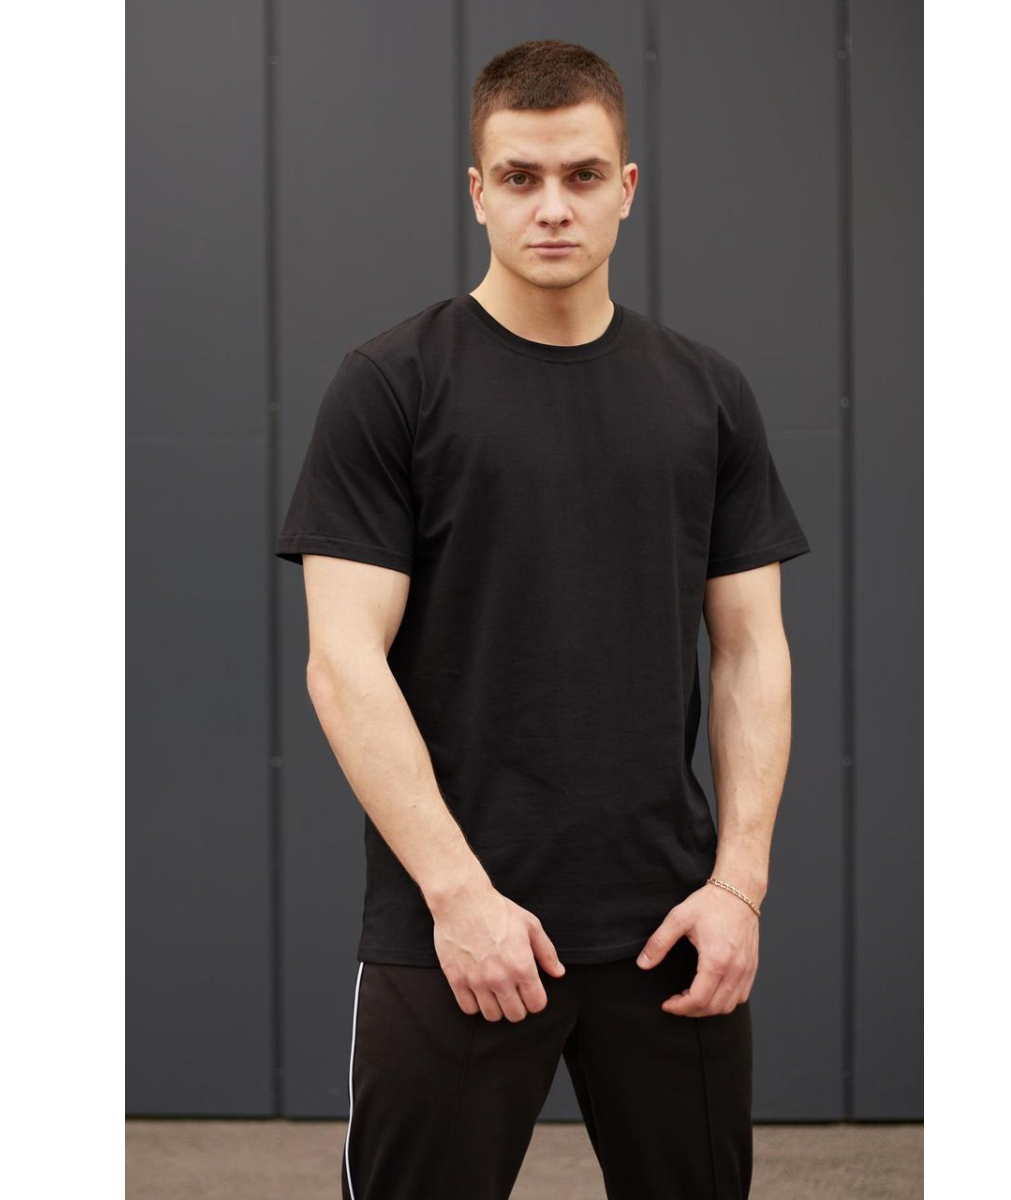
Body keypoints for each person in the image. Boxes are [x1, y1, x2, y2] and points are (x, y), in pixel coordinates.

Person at [276, 38, 810, 1200]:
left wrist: (739, 888)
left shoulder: (707, 395)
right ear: (478, 192)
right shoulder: (392, 386)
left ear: (627, 187)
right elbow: (342, 663)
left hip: (670, 930)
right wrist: (458, 896)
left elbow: (751, 650)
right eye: (520, 177)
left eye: (582, 175)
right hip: (454, 929)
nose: (552, 206)